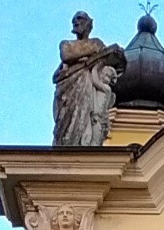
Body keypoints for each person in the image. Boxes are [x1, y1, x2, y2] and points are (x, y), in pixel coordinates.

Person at [51, 11, 125, 147]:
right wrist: (94, 51)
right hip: (68, 87)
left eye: (80, 19)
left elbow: (116, 62)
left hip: (85, 84)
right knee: (65, 123)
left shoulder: (97, 44)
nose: (76, 22)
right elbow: (66, 54)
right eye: (74, 20)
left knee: (84, 116)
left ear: (89, 24)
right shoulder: (67, 44)